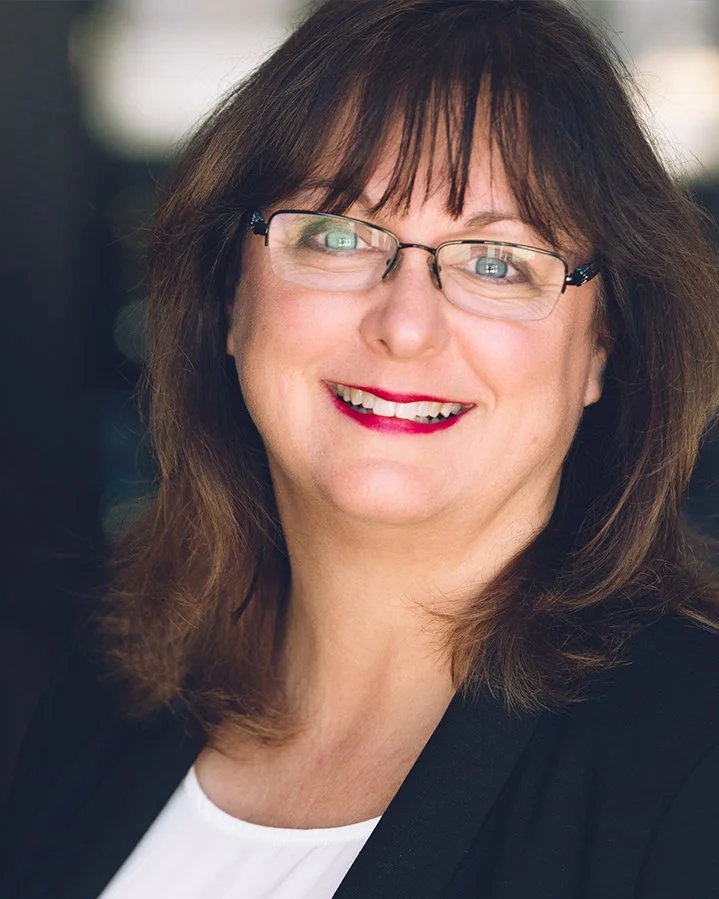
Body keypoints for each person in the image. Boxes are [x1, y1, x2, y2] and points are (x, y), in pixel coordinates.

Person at [3, 0, 719, 896]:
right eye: (337, 234)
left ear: (601, 346)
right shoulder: (107, 703)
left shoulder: (694, 769)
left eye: (496, 262)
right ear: (229, 293)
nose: (406, 325)